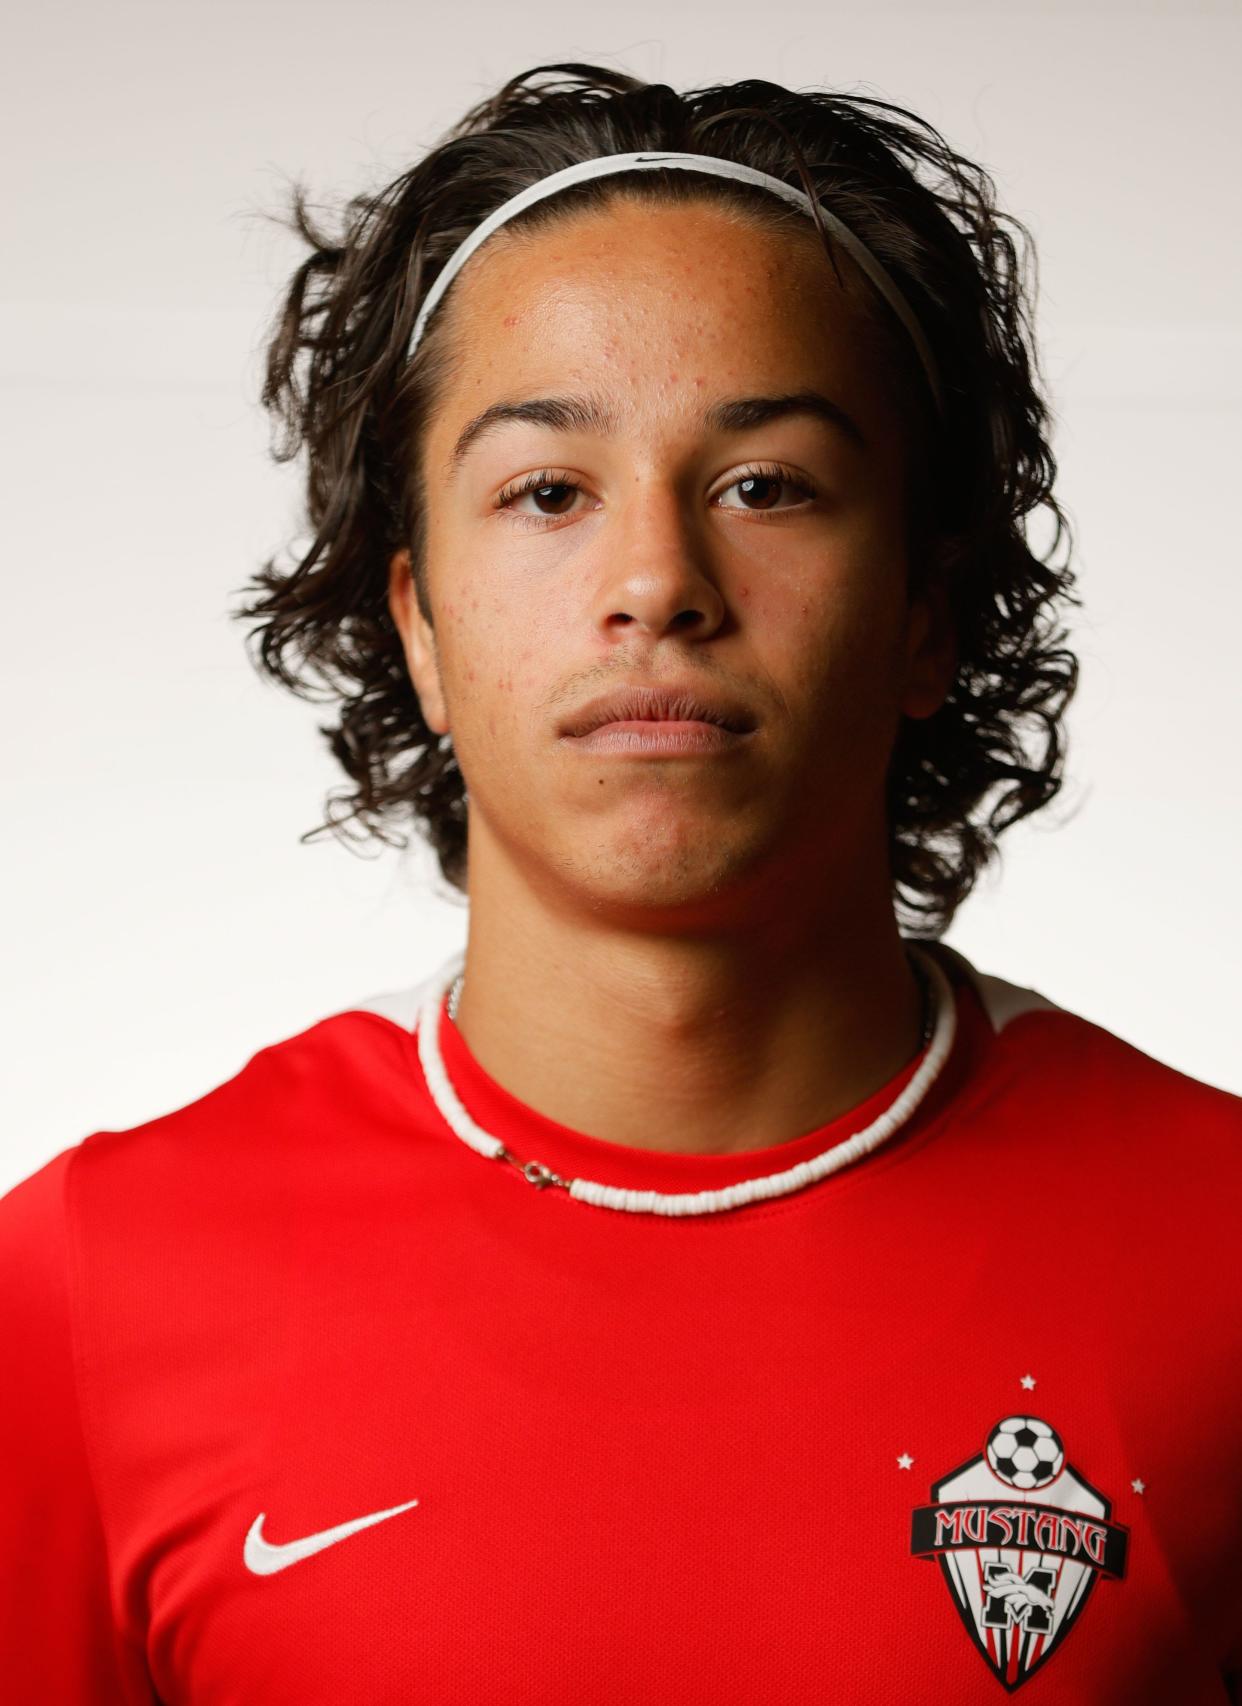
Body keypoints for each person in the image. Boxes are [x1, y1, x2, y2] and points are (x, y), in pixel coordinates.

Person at [1, 59, 1237, 1704]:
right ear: (419, 626)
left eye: (765, 485)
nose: (655, 578)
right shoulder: (85, 1290)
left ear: (927, 611)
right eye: (546, 492)